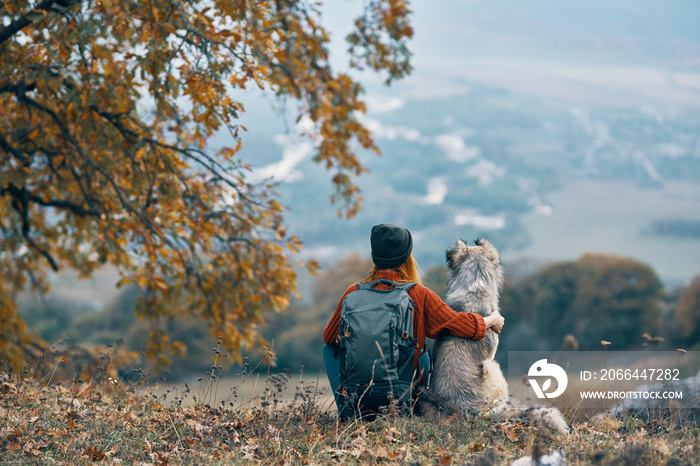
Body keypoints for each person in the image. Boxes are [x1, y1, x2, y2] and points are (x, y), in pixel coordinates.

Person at [322, 223, 505, 415]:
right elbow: (462, 325)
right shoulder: (419, 294)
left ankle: (347, 411)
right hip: (399, 397)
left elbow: (328, 338)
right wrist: (491, 320)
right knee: (423, 352)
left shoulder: (352, 292)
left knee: (329, 348)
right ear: (407, 256)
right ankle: (412, 409)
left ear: (375, 256)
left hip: (356, 396)